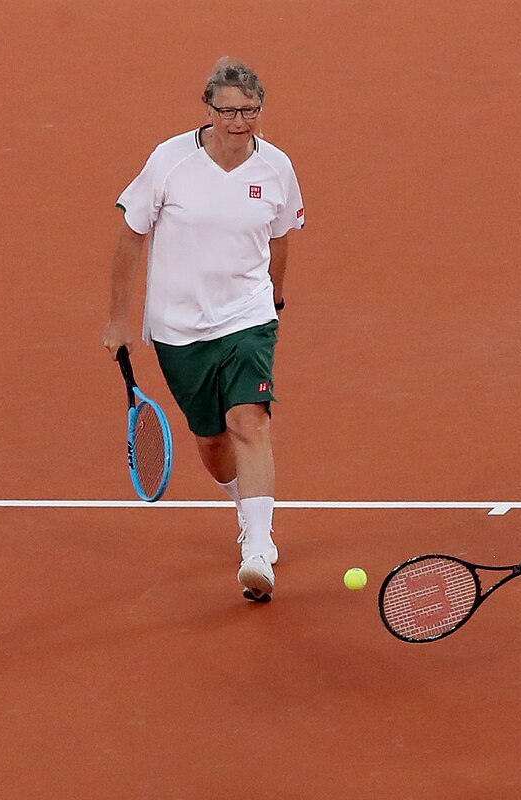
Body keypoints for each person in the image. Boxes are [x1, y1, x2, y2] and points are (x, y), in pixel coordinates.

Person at [102, 57, 304, 603]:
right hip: (178, 327)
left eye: (250, 110)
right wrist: (120, 319)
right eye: (228, 110)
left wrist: (275, 294)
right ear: (208, 109)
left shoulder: (277, 168)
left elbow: (281, 236)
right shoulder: (170, 162)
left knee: (249, 421)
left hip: (247, 317)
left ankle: (258, 550)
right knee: (213, 442)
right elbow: (130, 236)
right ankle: (245, 507)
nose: (239, 121)